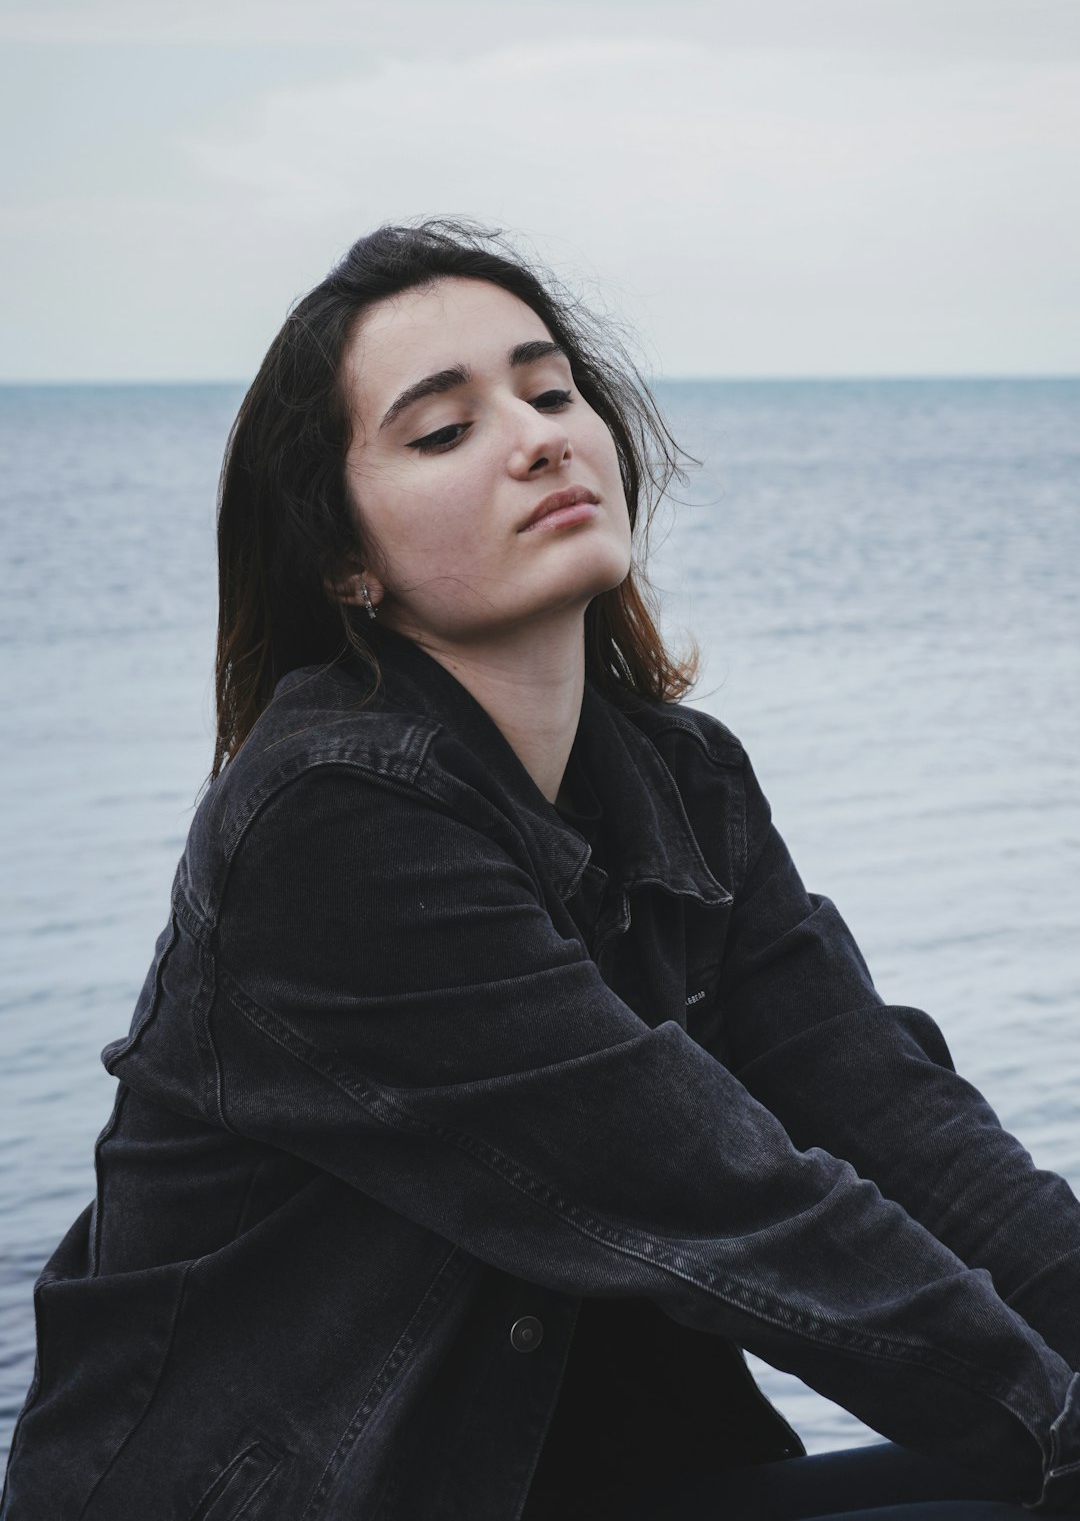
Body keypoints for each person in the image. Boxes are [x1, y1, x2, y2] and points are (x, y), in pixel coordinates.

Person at [3, 219, 1080, 1521]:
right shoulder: (330, 827)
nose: (538, 435)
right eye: (443, 430)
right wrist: (1054, 1421)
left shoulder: (687, 787)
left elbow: (901, 1130)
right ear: (345, 559)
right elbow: (724, 1195)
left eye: (553, 388)